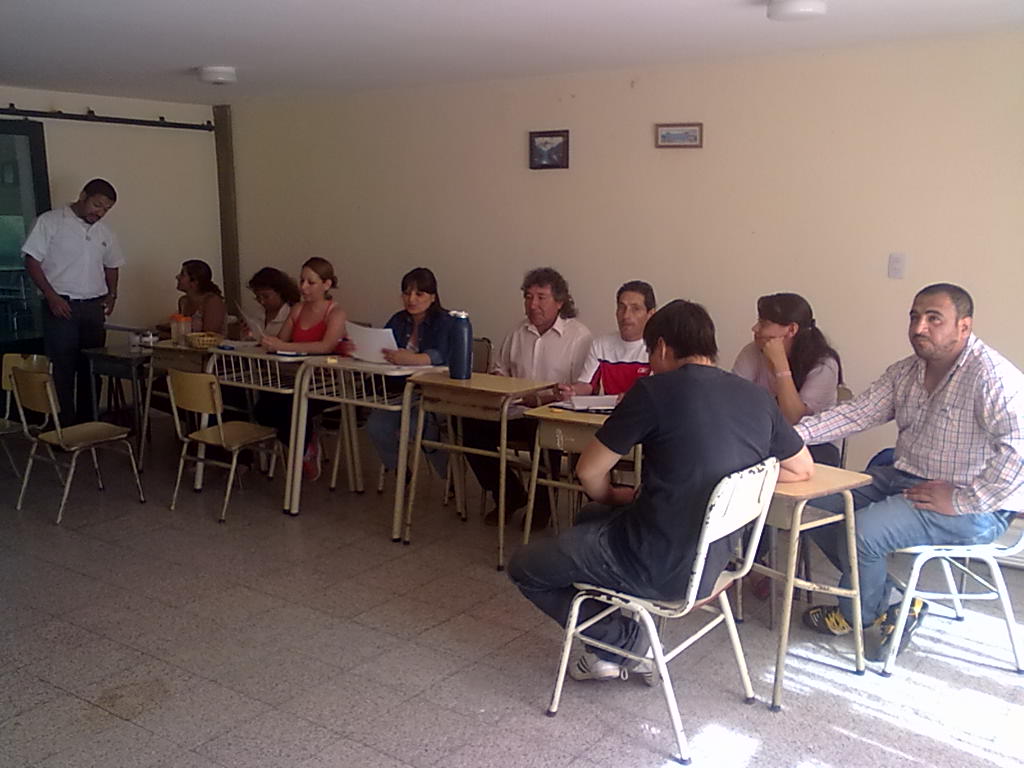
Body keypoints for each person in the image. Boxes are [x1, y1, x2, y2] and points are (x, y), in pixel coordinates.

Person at [508, 299, 813, 680]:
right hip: (714, 561)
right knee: (590, 517)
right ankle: (609, 651)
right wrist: (727, 480)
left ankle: (623, 641)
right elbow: (802, 468)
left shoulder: (654, 391)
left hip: (656, 564)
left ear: (663, 347)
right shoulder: (756, 398)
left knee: (526, 566)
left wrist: (612, 494)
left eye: (651, 352)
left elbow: (588, 472)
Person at [797, 283, 1024, 660]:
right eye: (915, 317)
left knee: (864, 532)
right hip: (906, 477)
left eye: (934, 319)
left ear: (964, 327)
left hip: (976, 505)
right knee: (813, 507)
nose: (919, 327)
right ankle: (895, 602)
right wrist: (791, 438)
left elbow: (1019, 450)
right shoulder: (906, 372)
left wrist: (962, 500)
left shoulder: (992, 376)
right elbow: (856, 413)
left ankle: (857, 615)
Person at [463, 267, 592, 530]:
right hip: (515, 410)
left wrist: (543, 399)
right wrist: (499, 381)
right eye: (528, 297)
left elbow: (581, 387)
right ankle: (510, 494)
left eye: (541, 297)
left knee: (541, 432)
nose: (533, 305)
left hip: (554, 414)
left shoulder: (579, 337)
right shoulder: (517, 332)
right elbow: (499, 370)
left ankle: (542, 506)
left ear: (559, 301)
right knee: (470, 426)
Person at [22, 178, 123, 423]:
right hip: (61, 306)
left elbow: (112, 265)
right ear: (83, 195)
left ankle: (89, 424)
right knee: (63, 369)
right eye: (97, 205)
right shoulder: (50, 222)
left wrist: (112, 294)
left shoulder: (104, 232)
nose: (100, 213)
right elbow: (32, 261)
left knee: (92, 367)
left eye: (106, 209)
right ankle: (65, 427)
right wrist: (51, 296)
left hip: (93, 307)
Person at [256, 257, 349, 483]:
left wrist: (285, 346)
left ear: (326, 284)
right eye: (302, 281)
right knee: (263, 408)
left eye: (311, 282)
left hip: (325, 382)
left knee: (293, 406)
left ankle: (305, 448)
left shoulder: (336, 313)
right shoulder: (297, 309)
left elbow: (326, 346)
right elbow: (282, 340)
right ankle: (304, 443)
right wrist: (266, 340)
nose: (304, 287)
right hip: (294, 377)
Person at [732, 293, 843, 466]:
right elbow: (733, 400)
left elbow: (794, 420)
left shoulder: (824, 364)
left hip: (814, 444)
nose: (755, 329)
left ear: (791, 329)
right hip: (764, 435)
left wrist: (780, 365)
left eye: (764, 324)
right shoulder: (752, 352)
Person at [365, 267, 454, 478]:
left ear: (433, 297)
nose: (411, 299)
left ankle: (449, 476)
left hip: (432, 394)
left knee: (418, 427)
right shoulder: (398, 319)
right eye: (406, 293)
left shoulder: (447, 321)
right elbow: (382, 347)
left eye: (419, 294)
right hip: (399, 391)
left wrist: (413, 358)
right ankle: (400, 472)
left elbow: (442, 355)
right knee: (376, 426)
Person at [562, 280, 655, 398]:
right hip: (607, 409)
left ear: (650, 314)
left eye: (635, 309)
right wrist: (572, 391)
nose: (626, 315)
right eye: (622, 307)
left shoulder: (658, 349)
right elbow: (587, 384)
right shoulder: (601, 345)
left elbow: (656, 392)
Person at [175, 259, 227, 334]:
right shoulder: (183, 301)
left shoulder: (212, 301)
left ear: (195, 282)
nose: (177, 277)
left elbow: (210, 334)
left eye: (182, 274)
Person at [247, 267, 300, 337]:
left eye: (266, 297)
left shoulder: (292, 314)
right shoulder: (258, 313)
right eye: (258, 297)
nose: (262, 302)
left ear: (280, 292)